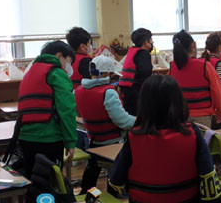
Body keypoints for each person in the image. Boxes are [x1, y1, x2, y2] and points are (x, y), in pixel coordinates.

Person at [109, 75, 221, 203]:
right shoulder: (192, 134)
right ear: (178, 102)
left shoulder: (134, 137)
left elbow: (115, 183)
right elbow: (208, 179)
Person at [74, 55, 135, 193]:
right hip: (113, 142)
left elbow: (78, 113)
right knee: (117, 169)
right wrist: (138, 120)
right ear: (108, 74)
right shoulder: (108, 92)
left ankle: (87, 193)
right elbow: (122, 121)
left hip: (93, 141)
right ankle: (114, 193)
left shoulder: (78, 91)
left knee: (92, 169)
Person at [18, 41, 77, 177]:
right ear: (59, 55)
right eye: (69, 62)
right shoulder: (57, 73)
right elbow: (67, 110)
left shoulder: (29, 73)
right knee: (50, 182)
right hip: (49, 138)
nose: (68, 67)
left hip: (25, 138)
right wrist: (70, 141)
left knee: (33, 182)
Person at [169, 30, 221, 129]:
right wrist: (220, 111)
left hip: (180, 115)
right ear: (193, 45)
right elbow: (217, 91)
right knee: (201, 139)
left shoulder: (173, 67)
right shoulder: (205, 66)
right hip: (202, 115)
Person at [119, 28, 153, 115]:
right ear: (146, 42)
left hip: (125, 90)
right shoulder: (143, 53)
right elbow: (146, 73)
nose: (152, 42)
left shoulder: (131, 51)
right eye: (151, 40)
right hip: (135, 91)